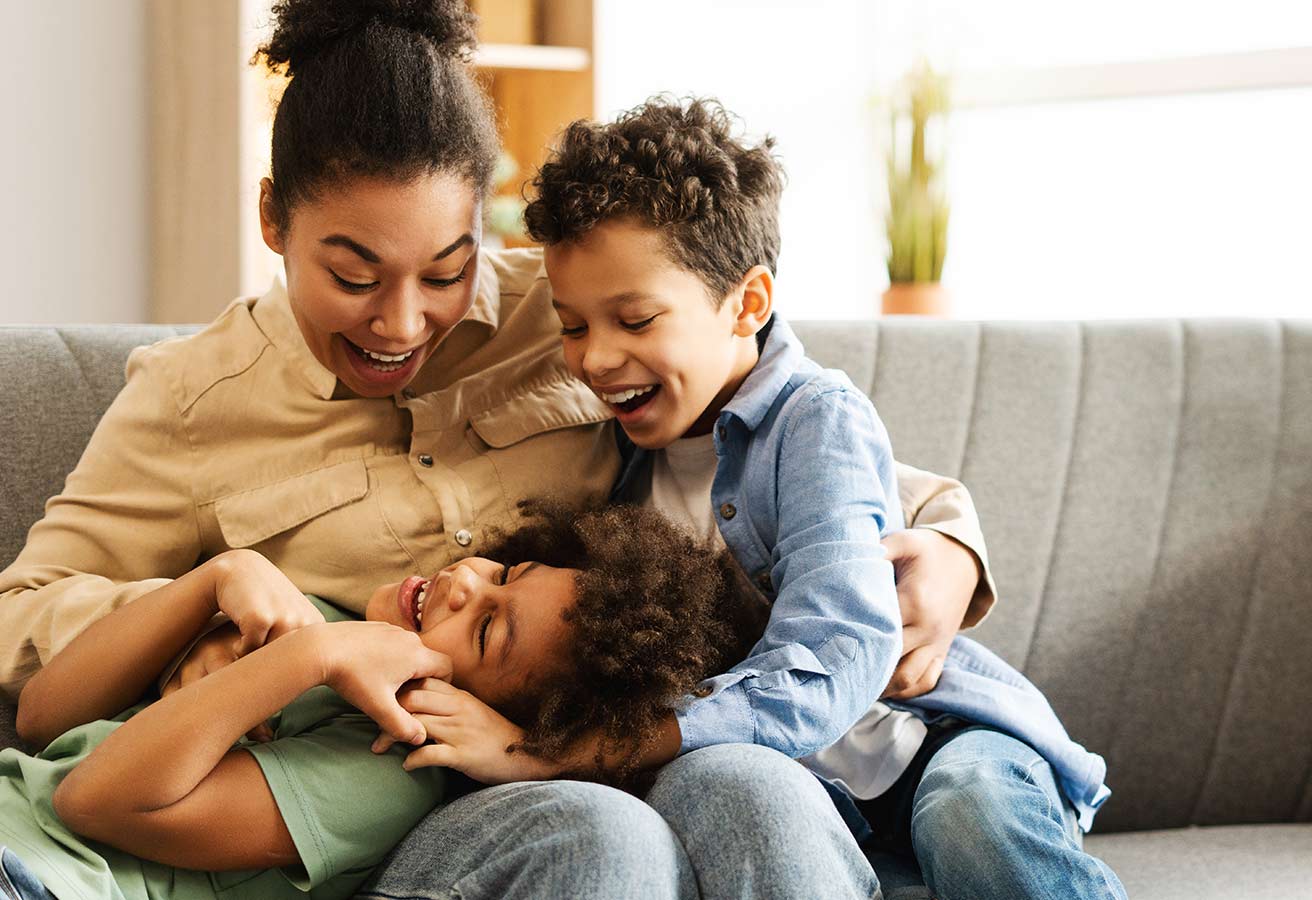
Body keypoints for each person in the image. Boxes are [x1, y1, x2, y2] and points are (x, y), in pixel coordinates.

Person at [0, 2, 996, 898]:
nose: (401, 321)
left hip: (533, 763)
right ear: (273, 218)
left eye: (445, 267)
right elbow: (23, 622)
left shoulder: (571, 313)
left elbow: (773, 448)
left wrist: (949, 548)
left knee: (707, 798)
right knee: (598, 833)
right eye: (353, 273)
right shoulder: (187, 399)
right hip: (372, 795)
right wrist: (219, 622)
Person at [521, 96, 1129, 900]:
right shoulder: (614, 464)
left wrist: (639, 737)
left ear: (748, 303)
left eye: (634, 319)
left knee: (968, 815)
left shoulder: (816, 420)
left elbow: (840, 644)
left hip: (930, 741)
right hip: (810, 793)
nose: (596, 358)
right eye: (572, 325)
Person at [3, 503, 760, 900]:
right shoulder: (324, 626)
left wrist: (309, 657)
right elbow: (41, 717)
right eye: (509, 569)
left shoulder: (385, 767)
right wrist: (215, 578)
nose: (467, 582)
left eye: (488, 628)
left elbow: (91, 801)